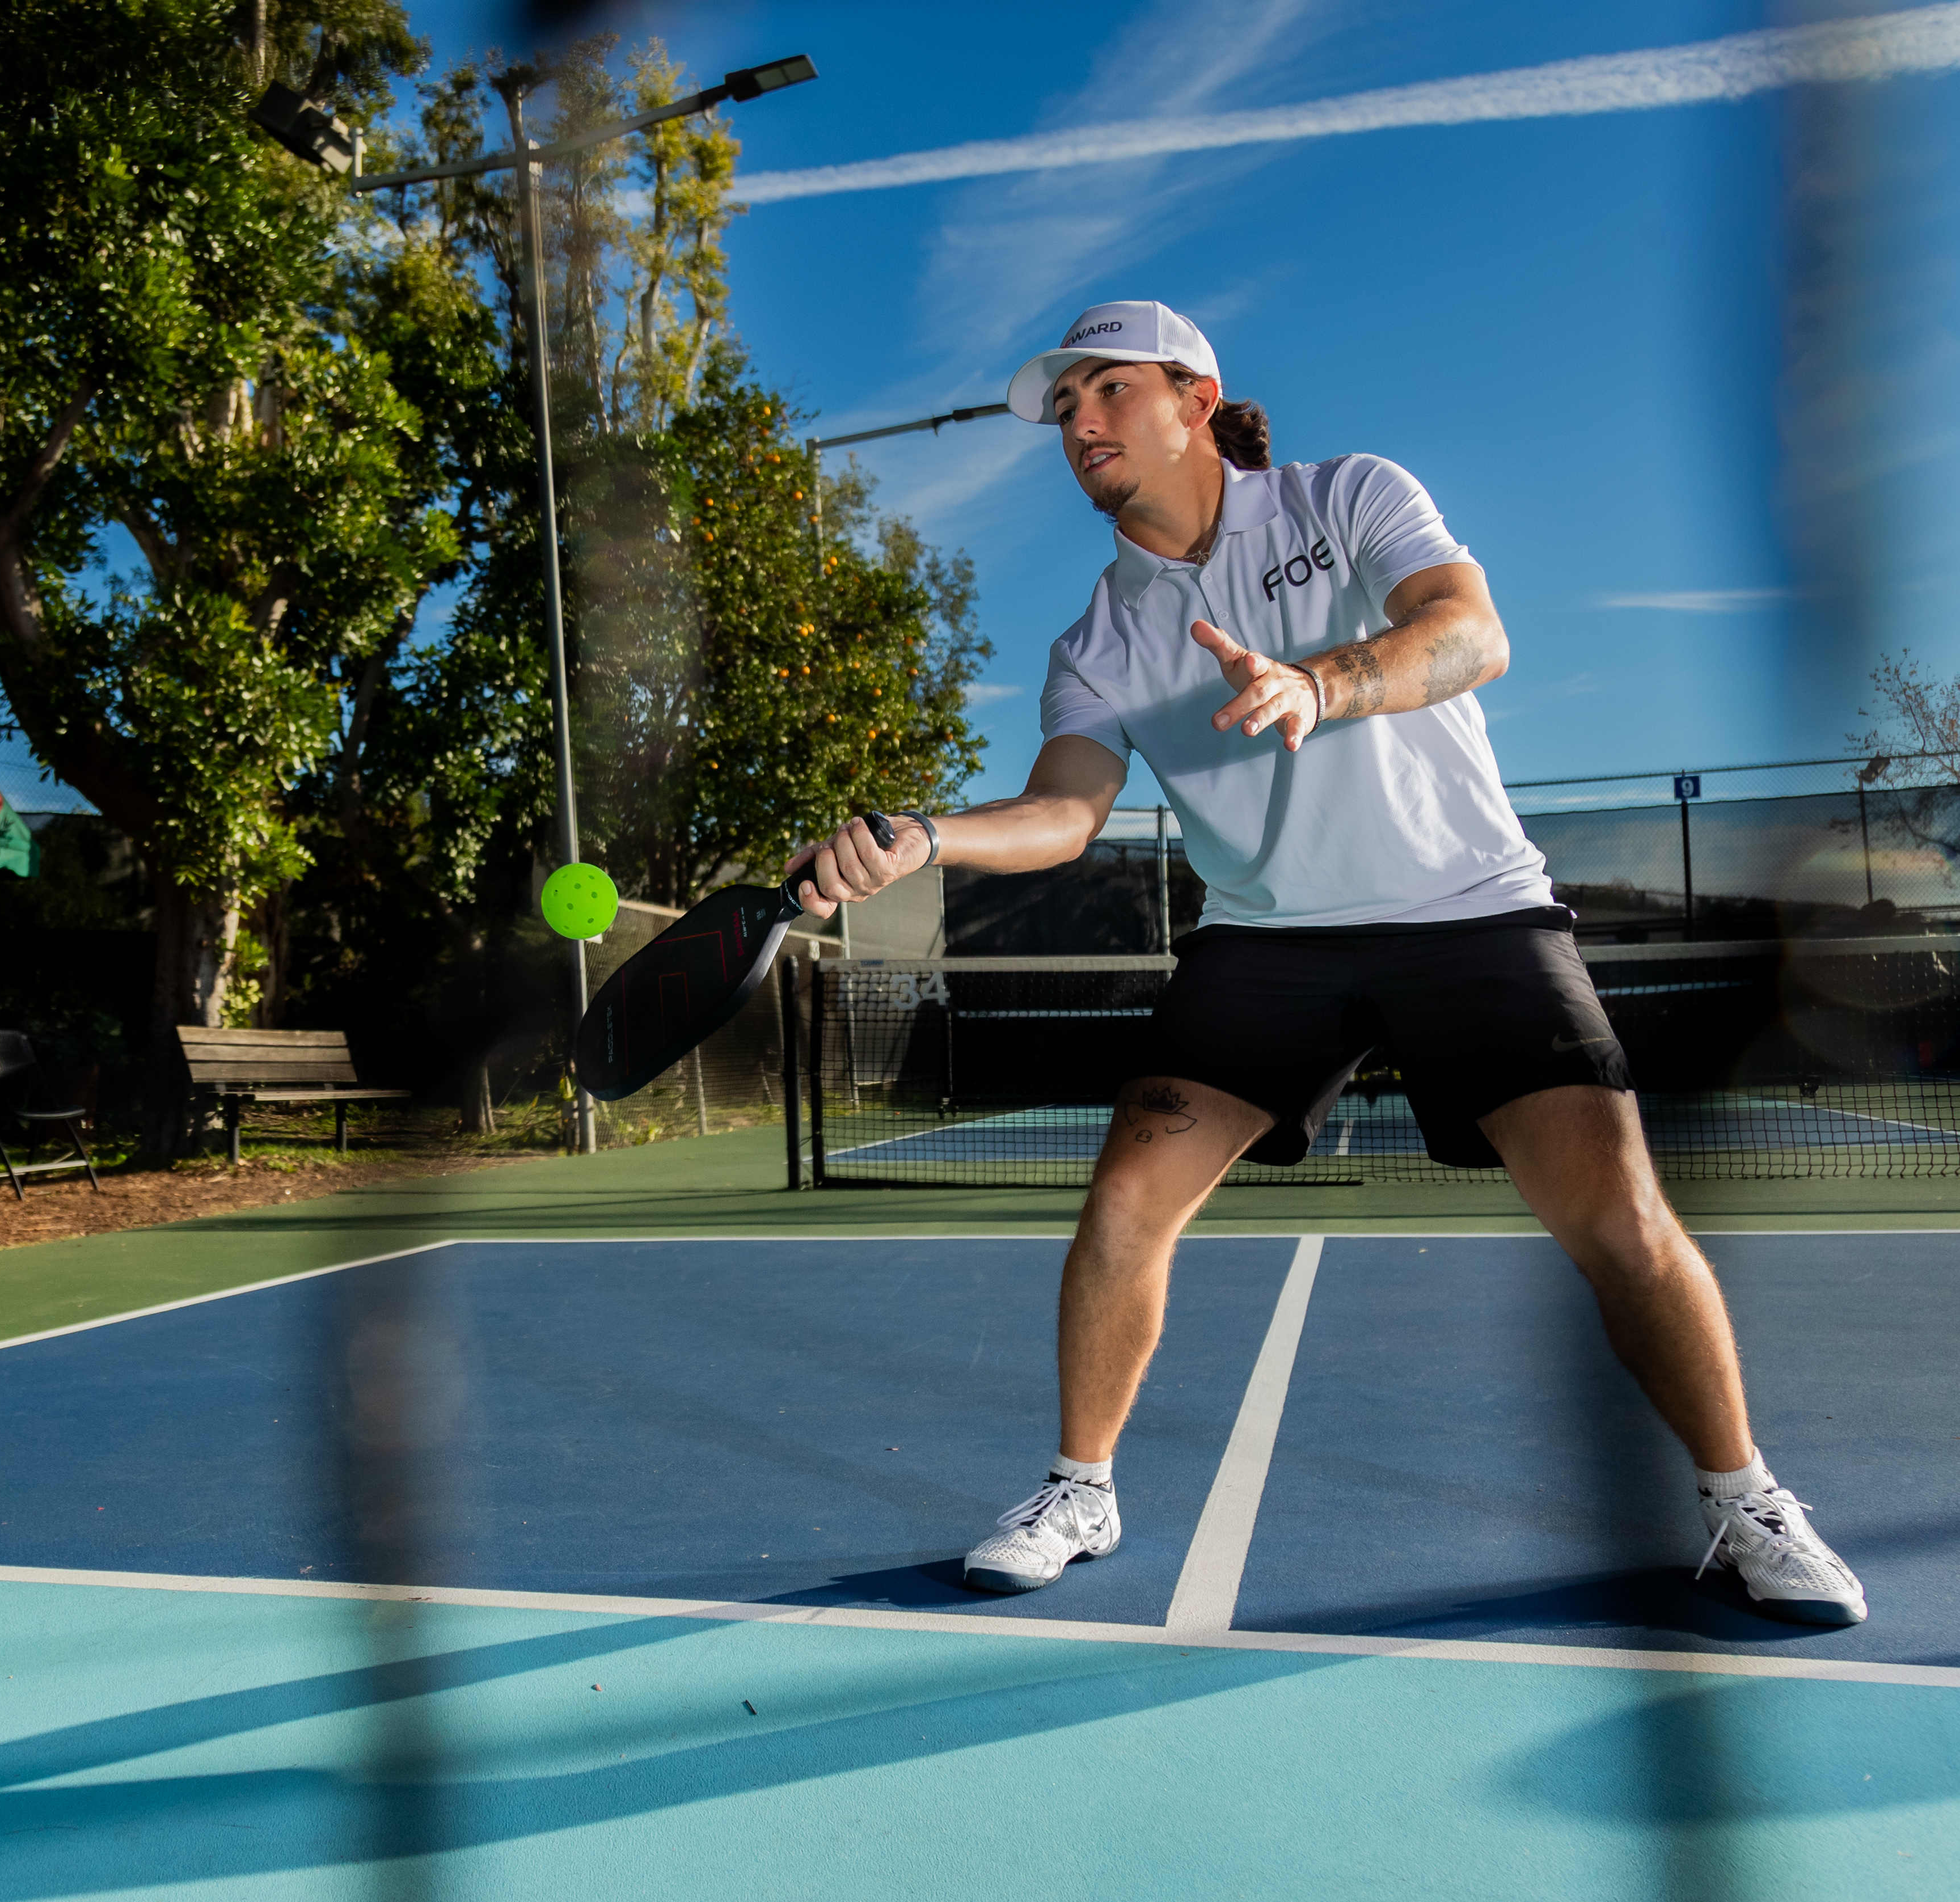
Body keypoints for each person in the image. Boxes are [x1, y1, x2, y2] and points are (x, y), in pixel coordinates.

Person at [787, 300, 1866, 1625]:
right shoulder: (1099, 636)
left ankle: (1743, 1499)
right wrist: (924, 838)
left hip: (1468, 910)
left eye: (1106, 392)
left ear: (1193, 398)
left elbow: (1470, 634)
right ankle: (1081, 1487)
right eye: (1062, 411)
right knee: (1124, 1203)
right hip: (1264, 940)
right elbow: (1064, 809)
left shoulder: (1346, 496)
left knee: (1616, 1218)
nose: (1078, 425)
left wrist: (1320, 684)